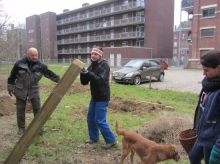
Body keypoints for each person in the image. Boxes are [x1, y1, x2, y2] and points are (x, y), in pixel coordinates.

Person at [7, 48, 60, 135]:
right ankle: (21, 128)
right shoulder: (19, 64)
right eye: (32, 55)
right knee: (20, 110)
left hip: (34, 89)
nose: (35, 57)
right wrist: (10, 87)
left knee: (37, 109)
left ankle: (39, 126)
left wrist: (61, 80)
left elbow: (51, 74)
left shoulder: (41, 66)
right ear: (27, 54)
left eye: (36, 55)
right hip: (20, 89)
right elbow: (12, 76)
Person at [80, 46, 116, 150]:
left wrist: (88, 73)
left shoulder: (104, 66)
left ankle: (111, 140)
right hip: (94, 96)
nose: (93, 56)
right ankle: (94, 137)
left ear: (100, 55)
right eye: (92, 54)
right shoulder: (91, 66)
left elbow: (100, 79)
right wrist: (82, 73)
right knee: (90, 118)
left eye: (95, 54)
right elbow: (84, 82)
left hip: (103, 97)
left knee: (99, 120)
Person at [189, 50, 220, 164]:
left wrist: (218, 148)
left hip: (213, 139)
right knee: (193, 157)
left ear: (219, 68)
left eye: (206, 70)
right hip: (204, 134)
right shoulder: (209, 83)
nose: (203, 73)